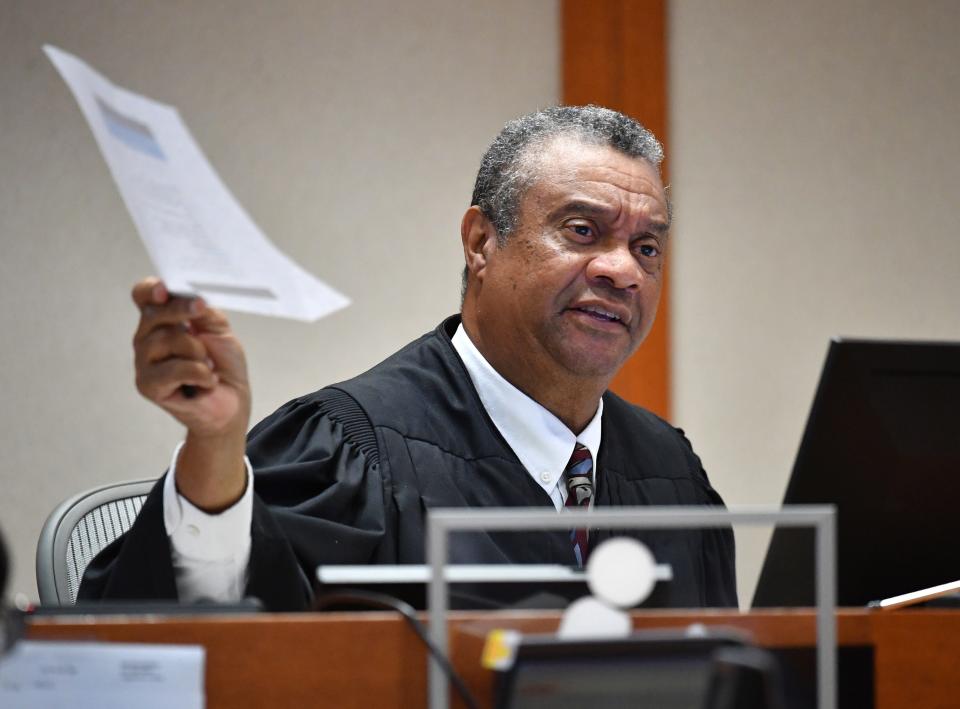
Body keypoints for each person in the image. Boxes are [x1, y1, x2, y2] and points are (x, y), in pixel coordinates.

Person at [79, 106, 736, 611]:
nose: (623, 270)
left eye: (647, 247)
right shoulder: (353, 449)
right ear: (481, 242)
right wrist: (217, 449)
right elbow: (212, 647)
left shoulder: (669, 472)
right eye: (582, 230)